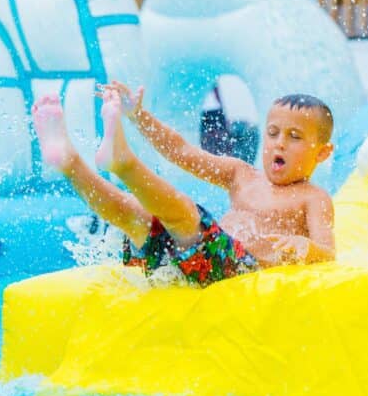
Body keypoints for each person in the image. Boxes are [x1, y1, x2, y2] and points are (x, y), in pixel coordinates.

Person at [32, 81, 335, 287]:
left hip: (235, 270)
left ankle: (123, 162)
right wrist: (139, 116)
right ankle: (69, 161)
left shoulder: (313, 198)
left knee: (186, 214)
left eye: (294, 137)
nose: (279, 144)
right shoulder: (240, 174)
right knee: (132, 212)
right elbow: (181, 151)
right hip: (187, 261)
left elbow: (328, 252)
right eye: (273, 132)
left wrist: (307, 248)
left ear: (322, 152)